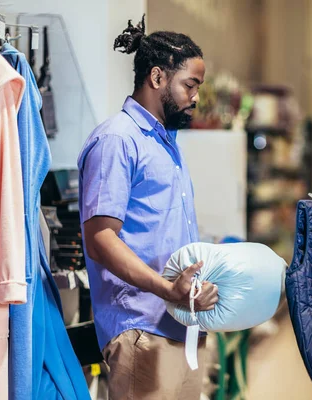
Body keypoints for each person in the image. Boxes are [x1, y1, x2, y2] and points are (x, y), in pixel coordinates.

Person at [77, 16, 218, 400]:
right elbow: (100, 239)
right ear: (157, 77)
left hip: (181, 326)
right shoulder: (117, 141)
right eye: (190, 85)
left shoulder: (165, 143)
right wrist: (168, 289)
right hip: (142, 329)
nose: (195, 97)